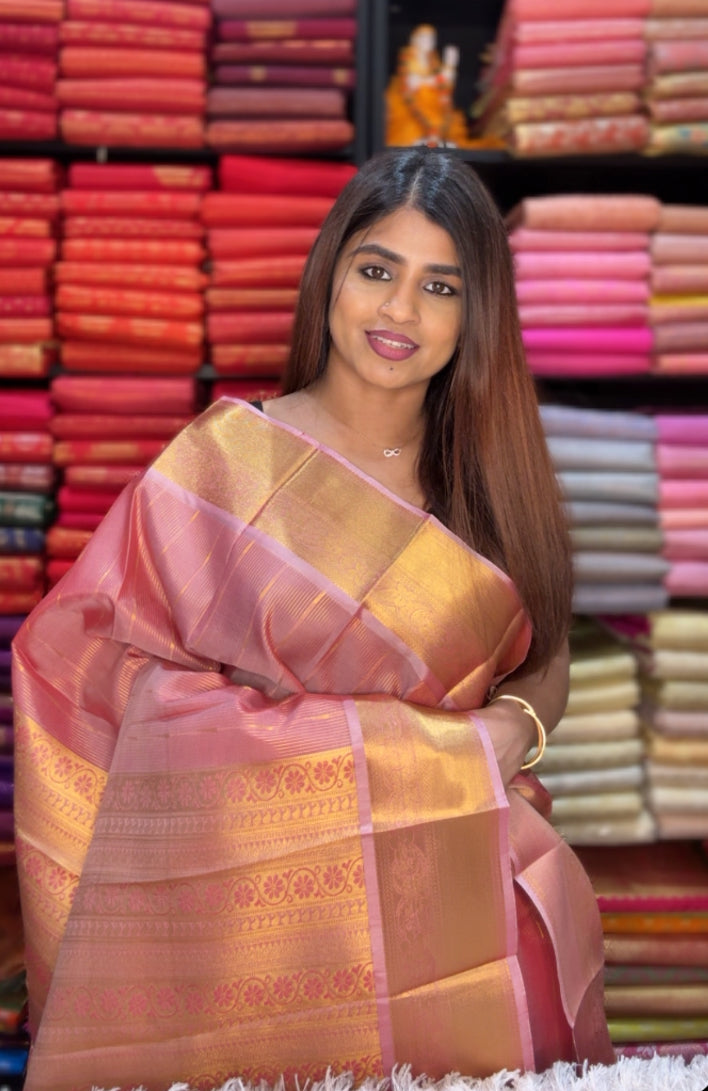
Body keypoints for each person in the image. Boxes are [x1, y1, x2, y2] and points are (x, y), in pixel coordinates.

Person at [12, 146, 614, 1091]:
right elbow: (76, 660)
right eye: (377, 270)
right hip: (244, 923)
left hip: (447, 905)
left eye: (441, 287)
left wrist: (512, 727)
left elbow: (544, 652)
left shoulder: (491, 487)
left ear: (478, 315)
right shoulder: (225, 463)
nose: (399, 311)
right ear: (332, 274)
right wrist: (349, 754)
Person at [385, 24, 470, 148]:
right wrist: (431, 81)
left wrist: (450, 65)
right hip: (413, 110)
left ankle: (437, 140)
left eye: (431, 38)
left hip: (436, 109)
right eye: (424, 38)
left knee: (444, 121)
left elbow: (444, 85)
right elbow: (412, 83)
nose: (428, 41)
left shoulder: (434, 61)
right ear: (414, 40)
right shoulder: (408, 58)